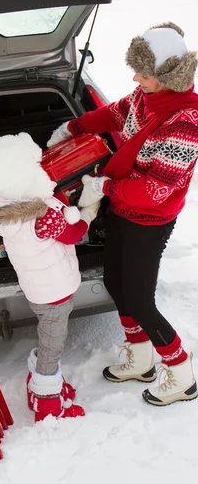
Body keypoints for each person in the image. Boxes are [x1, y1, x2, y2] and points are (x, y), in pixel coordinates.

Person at [47, 22, 198, 406]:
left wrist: (104, 186)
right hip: (122, 210)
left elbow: (155, 190)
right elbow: (116, 113)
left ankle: (180, 373)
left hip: (149, 221)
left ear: (168, 76)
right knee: (115, 283)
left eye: (143, 73)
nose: (135, 78)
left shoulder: (186, 124)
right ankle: (142, 358)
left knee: (140, 299)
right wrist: (74, 125)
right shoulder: (146, 99)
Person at [0, 132, 97, 421]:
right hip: (54, 290)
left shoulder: (5, 205)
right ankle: (47, 400)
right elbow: (74, 233)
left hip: (38, 287)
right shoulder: (43, 216)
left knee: (48, 336)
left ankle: (43, 383)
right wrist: (88, 209)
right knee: (52, 343)